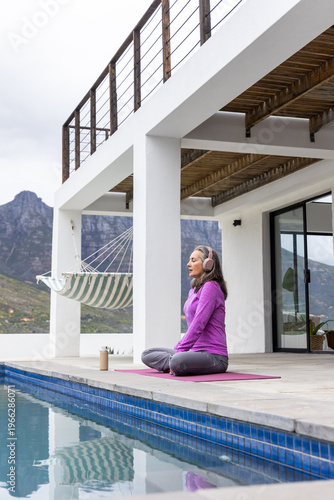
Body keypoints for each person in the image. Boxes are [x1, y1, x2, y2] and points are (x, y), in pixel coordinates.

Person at [141, 245, 228, 376]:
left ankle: (176, 364)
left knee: (177, 359)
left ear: (208, 264)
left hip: (214, 356)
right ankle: (176, 364)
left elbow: (198, 324)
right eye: (189, 260)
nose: (188, 264)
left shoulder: (211, 286)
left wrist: (180, 351)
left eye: (193, 260)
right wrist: (179, 350)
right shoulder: (193, 290)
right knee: (147, 355)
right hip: (193, 353)